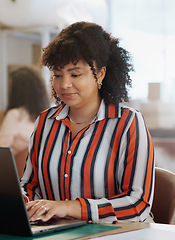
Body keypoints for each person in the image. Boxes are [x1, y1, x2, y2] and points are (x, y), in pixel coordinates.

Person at [21, 21, 155, 224]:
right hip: (58, 233)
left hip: (115, 235)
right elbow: (29, 185)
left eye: (75, 74)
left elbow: (138, 205)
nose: (64, 84)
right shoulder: (45, 122)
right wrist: (21, 204)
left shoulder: (127, 123)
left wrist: (68, 207)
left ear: (100, 74)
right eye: (57, 75)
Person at [0, 67, 50, 178]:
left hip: (16, 175)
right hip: (39, 178)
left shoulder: (15, 115)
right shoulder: (46, 117)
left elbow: (1, 150)